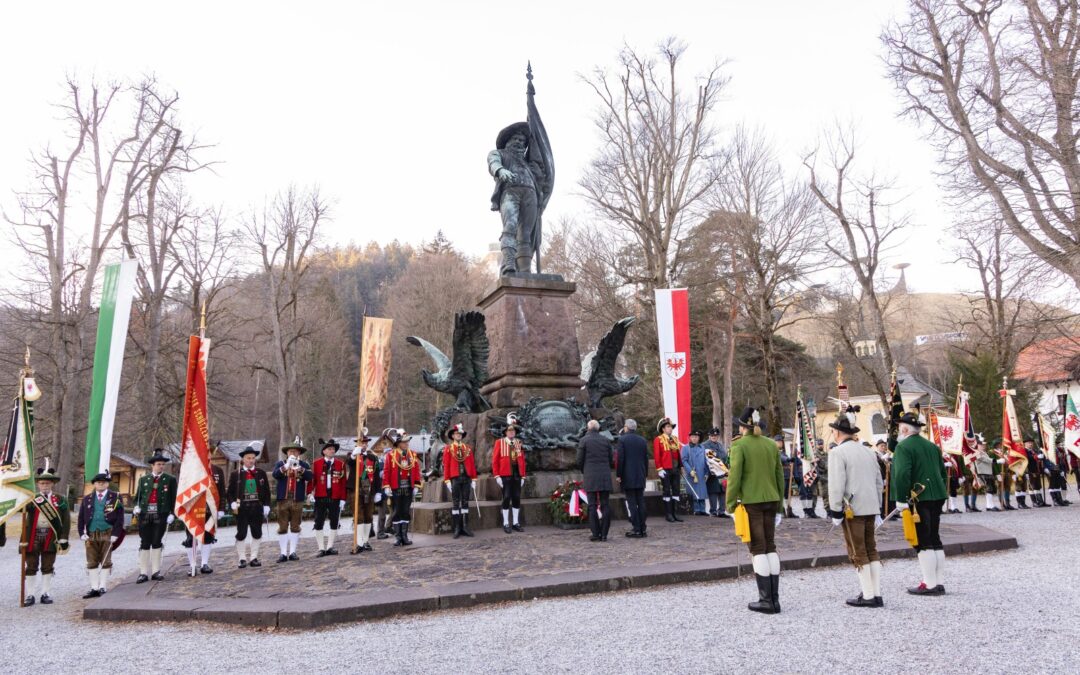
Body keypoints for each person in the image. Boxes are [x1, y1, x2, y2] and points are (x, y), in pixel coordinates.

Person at [726, 407, 785, 615]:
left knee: (757, 548)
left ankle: (766, 600)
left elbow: (734, 478)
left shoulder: (739, 445)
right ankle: (775, 599)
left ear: (743, 427)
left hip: (751, 502)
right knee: (770, 546)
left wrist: (730, 504)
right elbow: (780, 476)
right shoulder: (771, 445)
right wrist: (781, 505)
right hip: (771, 499)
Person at [826, 414, 885, 608]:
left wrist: (835, 510)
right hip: (870, 507)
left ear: (838, 432)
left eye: (833, 430)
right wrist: (877, 507)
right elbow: (879, 482)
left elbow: (836, 485)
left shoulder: (837, 453)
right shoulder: (868, 452)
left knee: (858, 551)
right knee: (871, 549)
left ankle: (868, 595)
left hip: (852, 508)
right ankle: (875, 593)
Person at [891, 412, 948, 596]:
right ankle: (939, 582)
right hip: (937, 495)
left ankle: (929, 584)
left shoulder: (903, 447)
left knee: (923, 541)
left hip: (918, 498)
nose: (898, 431)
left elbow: (902, 475)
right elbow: (942, 472)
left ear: (905, 429)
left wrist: (900, 499)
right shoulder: (932, 446)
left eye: (900, 427)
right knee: (934, 538)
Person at [19, 462, 69, 606]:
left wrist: (64, 537)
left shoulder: (60, 500)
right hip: (32, 537)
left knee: (48, 565)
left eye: (47, 483)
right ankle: (30, 595)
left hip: (51, 537)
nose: (44, 486)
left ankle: (45, 593)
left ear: (52, 484)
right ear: (38, 485)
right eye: (42, 483)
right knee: (31, 565)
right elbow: (21, 511)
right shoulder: (31, 499)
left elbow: (65, 520)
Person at [131, 451, 176, 583]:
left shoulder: (170, 479)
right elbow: (138, 497)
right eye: (158, 464)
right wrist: (136, 507)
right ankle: (143, 572)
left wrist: (172, 514)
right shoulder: (144, 479)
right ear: (152, 465)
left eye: (163, 464)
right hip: (145, 514)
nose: (161, 466)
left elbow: (173, 498)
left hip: (161, 513)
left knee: (157, 541)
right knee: (144, 542)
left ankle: (156, 571)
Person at [77, 472, 124, 598]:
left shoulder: (116, 497)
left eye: (103, 482)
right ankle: (94, 588)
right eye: (98, 482)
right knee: (91, 561)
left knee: (105, 560)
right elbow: (81, 517)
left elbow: (120, 518)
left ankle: (102, 586)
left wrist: (116, 533)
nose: (101, 484)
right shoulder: (87, 498)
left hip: (108, 532)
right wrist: (81, 533)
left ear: (107, 483)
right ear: (94, 484)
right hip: (91, 533)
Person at [181, 451, 226, 576]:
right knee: (191, 539)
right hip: (192, 509)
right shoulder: (189, 470)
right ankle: (192, 565)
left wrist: (221, 508)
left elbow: (221, 492)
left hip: (210, 509)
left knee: (207, 537)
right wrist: (182, 509)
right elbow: (182, 491)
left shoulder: (217, 471)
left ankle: (204, 564)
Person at [227, 445, 271, 568]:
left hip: (256, 506)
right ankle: (242, 558)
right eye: (248, 458)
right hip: (242, 508)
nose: (251, 460)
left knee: (257, 532)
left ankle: (254, 557)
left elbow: (267, 491)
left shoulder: (261, 473)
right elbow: (229, 492)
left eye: (253, 458)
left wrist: (267, 505)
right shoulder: (236, 474)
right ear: (243, 459)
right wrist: (232, 503)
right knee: (241, 533)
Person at [272, 438, 313, 562]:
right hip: (283, 499)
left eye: (295, 452)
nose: (292, 454)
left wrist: (299, 468)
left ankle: (293, 552)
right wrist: (286, 466)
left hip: (297, 499)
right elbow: (275, 475)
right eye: (290, 452)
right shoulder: (280, 464)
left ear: (299, 453)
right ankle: (283, 553)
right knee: (282, 526)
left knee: (295, 526)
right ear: (287, 453)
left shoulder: (304, 465)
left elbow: (310, 477)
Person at [382, 430, 422, 546]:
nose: (407, 444)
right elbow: (386, 471)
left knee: (405, 512)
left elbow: (416, 470)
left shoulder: (412, 454)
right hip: (396, 487)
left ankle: (404, 536)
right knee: (397, 512)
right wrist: (386, 486)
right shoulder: (391, 455)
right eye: (404, 442)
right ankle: (398, 537)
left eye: (407, 442)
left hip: (408, 487)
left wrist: (416, 485)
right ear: (399, 443)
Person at [577, 420, 614, 542]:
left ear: (588, 428)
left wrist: (585, 470)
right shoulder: (605, 440)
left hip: (590, 475)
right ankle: (604, 534)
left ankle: (596, 533)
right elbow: (611, 458)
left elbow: (579, 460)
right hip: (604, 476)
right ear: (598, 428)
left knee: (592, 505)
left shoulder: (584, 440)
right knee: (605, 505)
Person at [311, 439, 348, 557]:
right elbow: (313, 480)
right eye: (330, 449)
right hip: (320, 496)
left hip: (335, 496)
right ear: (324, 451)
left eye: (333, 449)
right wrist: (309, 493)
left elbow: (343, 483)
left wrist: (343, 498)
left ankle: (330, 546)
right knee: (318, 521)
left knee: (334, 521)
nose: (332, 451)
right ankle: (321, 548)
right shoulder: (316, 463)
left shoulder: (340, 464)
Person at [442, 423, 478, 539]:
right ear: (452, 436)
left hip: (466, 478)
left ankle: (465, 526)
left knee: (466, 502)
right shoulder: (448, 449)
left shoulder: (467, 448)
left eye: (460, 434)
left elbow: (472, 464)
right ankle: (457, 527)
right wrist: (447, 480)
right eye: (456, 434)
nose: (458, 435)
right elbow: (446, 465)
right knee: (456, 502)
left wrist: (474, 478)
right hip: (455, 478)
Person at [615, 419, 649, 537]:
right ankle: (643, 527)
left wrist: (618, 475)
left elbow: (620, 459)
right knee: (641, 501)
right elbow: (646, 459)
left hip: (628, 475)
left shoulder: (622, 440)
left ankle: (636, 528)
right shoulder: (642, 440)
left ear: (626, 427)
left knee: (632, 503)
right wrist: (645, 474)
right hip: (640, 474)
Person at [492, 419, 527, 534]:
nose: (511, 433)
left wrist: (523, 476)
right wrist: (497, 476)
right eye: (509, 431)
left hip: (517, 475)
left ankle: (516, 522)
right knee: (506, 497)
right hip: (505, 475)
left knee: (516, 498)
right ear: (505, 432)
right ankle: (506, 522)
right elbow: (495, 460)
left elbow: (522, 460)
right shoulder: (499, 442)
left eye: (513, 431)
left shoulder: (518, 443)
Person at [653, 417, 683, 523]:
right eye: (668, 427)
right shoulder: (658, 439)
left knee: (676, 490)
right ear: (663, 429)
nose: (670, 429)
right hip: (665, 469)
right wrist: (659, 469)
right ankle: (668, 514)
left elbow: (678, 453)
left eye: (671, 427)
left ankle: (676, 513)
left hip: (675, 468)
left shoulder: (675, 439)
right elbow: (657, 455)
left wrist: (681, 466)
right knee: (666, 490)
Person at [680, 430, 709, 515]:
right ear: (690, 438)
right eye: (692, 437)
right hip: (692, 474)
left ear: (699, 438)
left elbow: (705, 460)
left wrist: (707, 472)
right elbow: (684, 461)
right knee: (694, 492)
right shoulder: (685, 448)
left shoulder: (702, 448)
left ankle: (703, 510)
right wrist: (690, 471)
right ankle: (696, 510)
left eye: (696, 437)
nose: (694, 438)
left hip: (701, 473)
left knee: (702, 492)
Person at [702, 427, 728, 517]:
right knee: (713, 492)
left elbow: (725, 458)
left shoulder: (720, 445)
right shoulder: (705, 445)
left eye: (716, 435)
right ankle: (713, 511)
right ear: (709, 436)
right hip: (712, 473)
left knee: (722, 492)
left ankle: (721, 511)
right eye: (712, 435)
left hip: (722, 473)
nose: (714, 437)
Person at [974, 440, 999, 511]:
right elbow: (985, 459)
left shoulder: (984, 452)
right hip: (982, 472)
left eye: (984, 445)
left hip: (988, 472)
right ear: (977, 445)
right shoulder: (976, 452)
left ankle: (989, 505)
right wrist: (996, 461)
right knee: (989, 488)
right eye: (981, 445)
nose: (983, 446)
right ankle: (990, 506)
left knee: (990, 488)